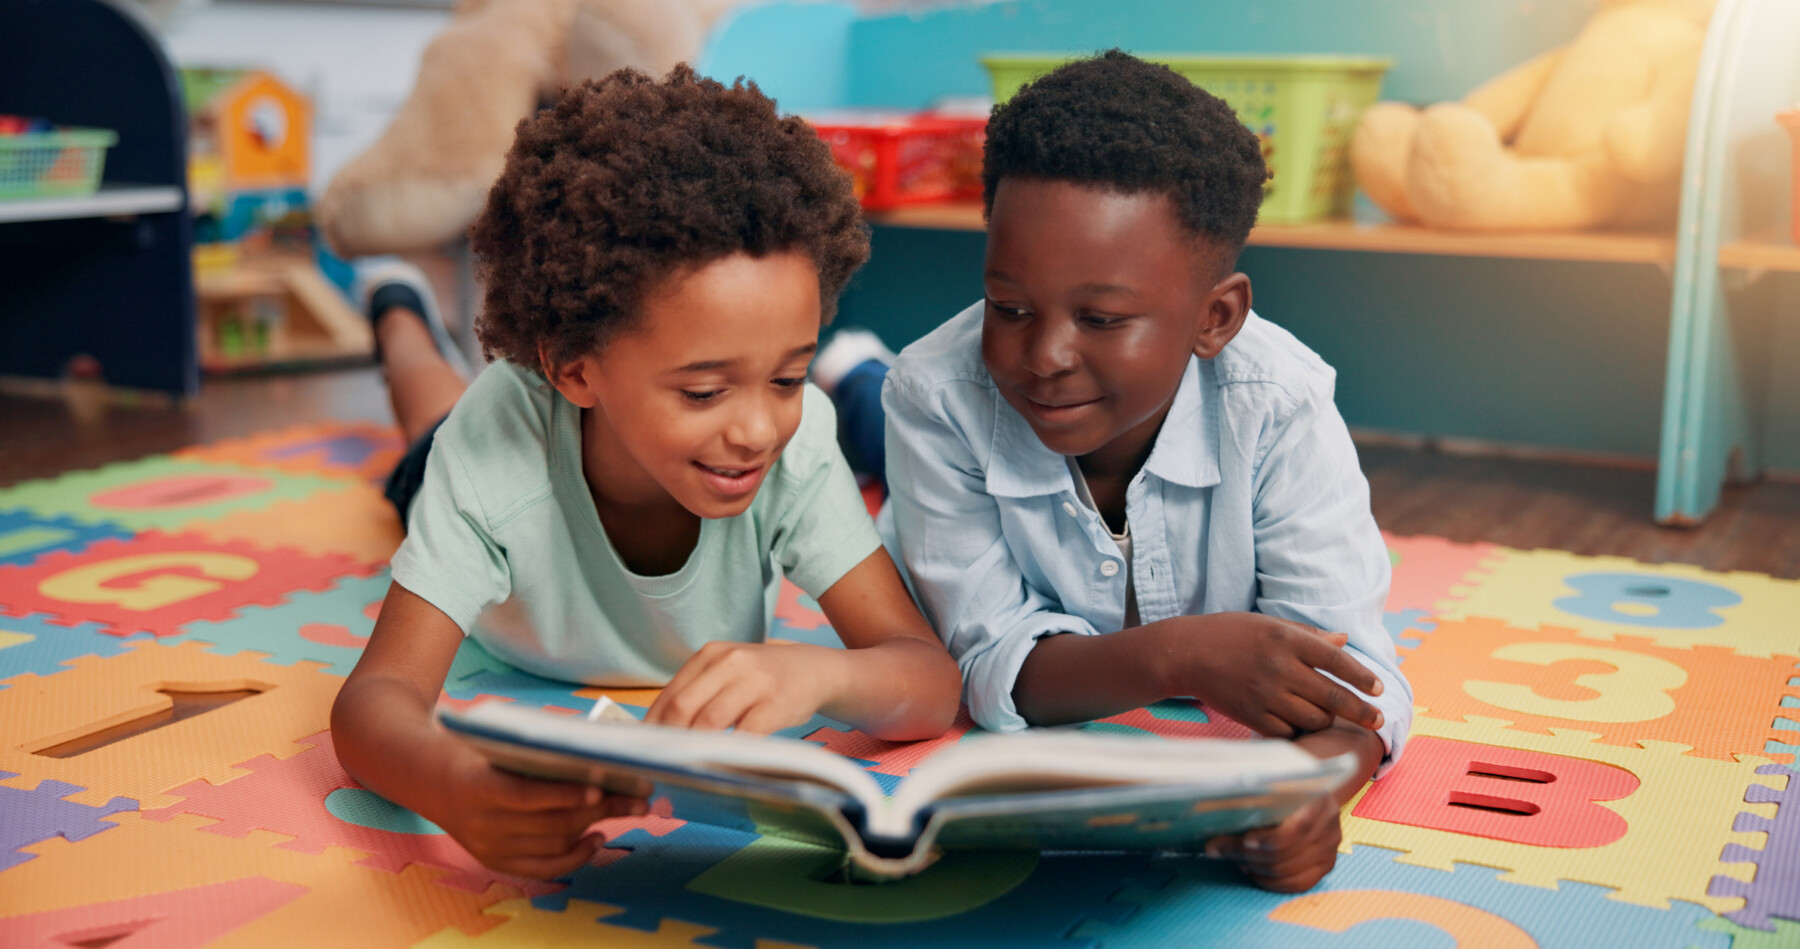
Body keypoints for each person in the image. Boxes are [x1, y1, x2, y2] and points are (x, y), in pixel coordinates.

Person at [331, 66, 963, 881]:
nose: (756, 428)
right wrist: (453, 785)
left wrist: (825, 671)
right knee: (430, 421)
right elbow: (372, 703)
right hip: (481, 458)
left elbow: (929, 679)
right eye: (703, 390)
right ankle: (399, 310)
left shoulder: (793, 447)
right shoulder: (498, 448)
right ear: (575, 370)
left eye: (787, 375)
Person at [818, 50, 1414, 893]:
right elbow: (987, 665)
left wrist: (1307, 793)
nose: (1047, 354)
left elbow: (1363, 683)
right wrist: (1178, 656)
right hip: (921, 436)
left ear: (1216, 318)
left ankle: (852, 372)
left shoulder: (1281, 405)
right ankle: (854, 377)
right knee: (888, 412)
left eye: (1101, 318)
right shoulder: (942, 393)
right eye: (1009, 306)